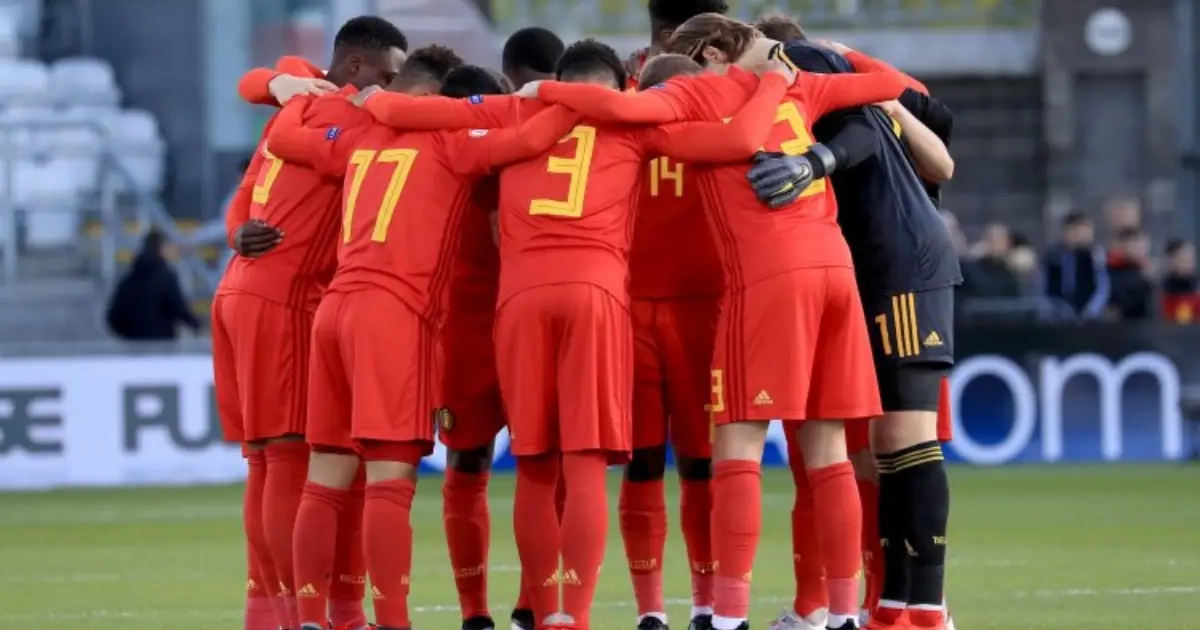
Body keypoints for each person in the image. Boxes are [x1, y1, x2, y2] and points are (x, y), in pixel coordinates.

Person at [525, 16, 909, 630]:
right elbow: (893, 83)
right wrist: (837, 51)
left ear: (707, 56)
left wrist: (542, 89)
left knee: (737, 446)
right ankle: (843, 615)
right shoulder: (801, 84)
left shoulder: (697, 92)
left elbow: (621, 110)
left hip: (767, 276)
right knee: (828, 450)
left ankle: (726, 616)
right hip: (834, 269)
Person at [266, 49, 576, 630]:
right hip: (394, 315)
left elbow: (285, 141)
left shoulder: (360, 138)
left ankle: (308, 618)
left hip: (335, 310)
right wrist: (578, 97)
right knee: (390, 483)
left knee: (325, 477)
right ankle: (394, 622)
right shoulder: (452, 144)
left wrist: (287, 91)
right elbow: (534, 137)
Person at [749, 31, 960, 630]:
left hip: (901, 265)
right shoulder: (814, 83)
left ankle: (929, 608)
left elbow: (923, 144)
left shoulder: (811, 70)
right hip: (863, 271)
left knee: (907, 438)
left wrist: (817, 156)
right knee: (879, 450)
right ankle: (892, 605)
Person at [213, 16, 408, 630]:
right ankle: (306, 615)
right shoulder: (358, 120)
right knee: (291, 461)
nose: (394, 89)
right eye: (389, 76)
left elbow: (251, 167)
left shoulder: (295, 96)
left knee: (266, 463)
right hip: (287, 298)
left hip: (243, 289)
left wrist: (278, 85)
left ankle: (267, 615)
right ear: (355, 68)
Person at [106, 229, 200, 341]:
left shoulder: (129, 279)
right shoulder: (165, 277)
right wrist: (198, 326)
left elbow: (113, 317)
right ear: (161, 247)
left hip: (134, 346)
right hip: (162, 344)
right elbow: (179, 308)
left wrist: (130, 335)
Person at [1039, 212, 1109, 318]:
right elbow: (1043, 286)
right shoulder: (1053, 257)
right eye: (1074, 231)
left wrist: (1091, 310)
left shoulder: (1095, 256)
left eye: (1084, 231)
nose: (1079, 235)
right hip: (1058, 312)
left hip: (1089, 312)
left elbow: (1102, 287)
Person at [1105, 227, 1154, 320]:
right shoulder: (1111, 272)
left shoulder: (1144, 271)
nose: (1144, 250)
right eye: (1139, 246)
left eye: (1145, 246)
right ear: (1124, 246)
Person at [1162, 238, 1200, 322]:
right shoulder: (1159, 295)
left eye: (1191, 258)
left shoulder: (1197, 292)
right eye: (1183, 258)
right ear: (1170, 261)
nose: (1189, 263)